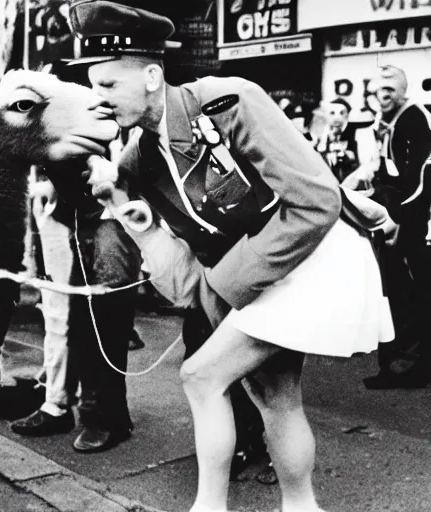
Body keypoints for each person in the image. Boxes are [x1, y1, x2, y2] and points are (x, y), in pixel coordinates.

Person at [55, 2, 396, 511]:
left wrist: (229, 289)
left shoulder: (228, 100)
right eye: (92, 88)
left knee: (201, 376)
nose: (98, 100)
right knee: (274, 396)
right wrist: (119, 203)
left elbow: (316, 202)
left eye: (107, 85)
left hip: (318, 253)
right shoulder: (141, 160)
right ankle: (301, 507)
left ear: (151, 75)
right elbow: (184, 278)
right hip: (272, 272)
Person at [11, 166, 143, 453]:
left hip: (107, 217)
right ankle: (96, 412)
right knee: (84, 323)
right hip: (84, 217)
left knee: (104, 321)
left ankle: (108, 416)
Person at [345, 65, 431, 390]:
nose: (381, 96)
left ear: (402, 91)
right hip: (396, 217)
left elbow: (422, 179)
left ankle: (411, 367)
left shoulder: (414, 118)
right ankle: (397, 364)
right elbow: (391, 172)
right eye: (376, 91)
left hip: (414, 222)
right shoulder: (388, 121)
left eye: (389, 90)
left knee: (412, 291)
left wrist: (398, 219)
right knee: (394, 290)